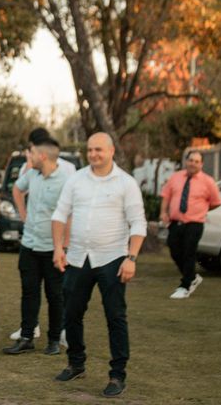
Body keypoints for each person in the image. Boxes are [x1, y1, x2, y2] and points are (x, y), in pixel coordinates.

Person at [51, 132, 147, 398]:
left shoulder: (126, 183)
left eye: (98, 150)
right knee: (71, 313)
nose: (93, 154)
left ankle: (117, 375)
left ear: (111, 151)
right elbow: (60, 213)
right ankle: (76, 363)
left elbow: (138, 223)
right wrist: (59, 248)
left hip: (112, 259)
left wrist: (131, 258)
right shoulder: (76, 180)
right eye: (90, 150)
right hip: (78, 258)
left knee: (115, 317)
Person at [3, 136, 68, 357]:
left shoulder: (66, 180)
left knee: (55, 295)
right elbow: (16, 191)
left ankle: (53, 340)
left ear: (42, 156)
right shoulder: (31, 175)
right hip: (29, 245)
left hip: (53, 248)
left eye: (30, 153)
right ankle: (27, 338)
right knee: (29, 293)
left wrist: (63, 246)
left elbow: (71, 215)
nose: (28, 157)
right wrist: (23, 214)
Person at [159, 151, 221, 299]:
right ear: (186, 161)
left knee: (189, 252)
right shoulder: (176, 177)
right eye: (191, 160)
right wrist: (163, 212)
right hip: (175, 222)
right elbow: (166, 196)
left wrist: (202, 210)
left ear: (201, 164)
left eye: (197, 161)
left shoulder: (208, 181)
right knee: (174, 250)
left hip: (195, 223)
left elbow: (216, 202)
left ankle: (185, 285)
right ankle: (192, 277)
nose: (193, 163)